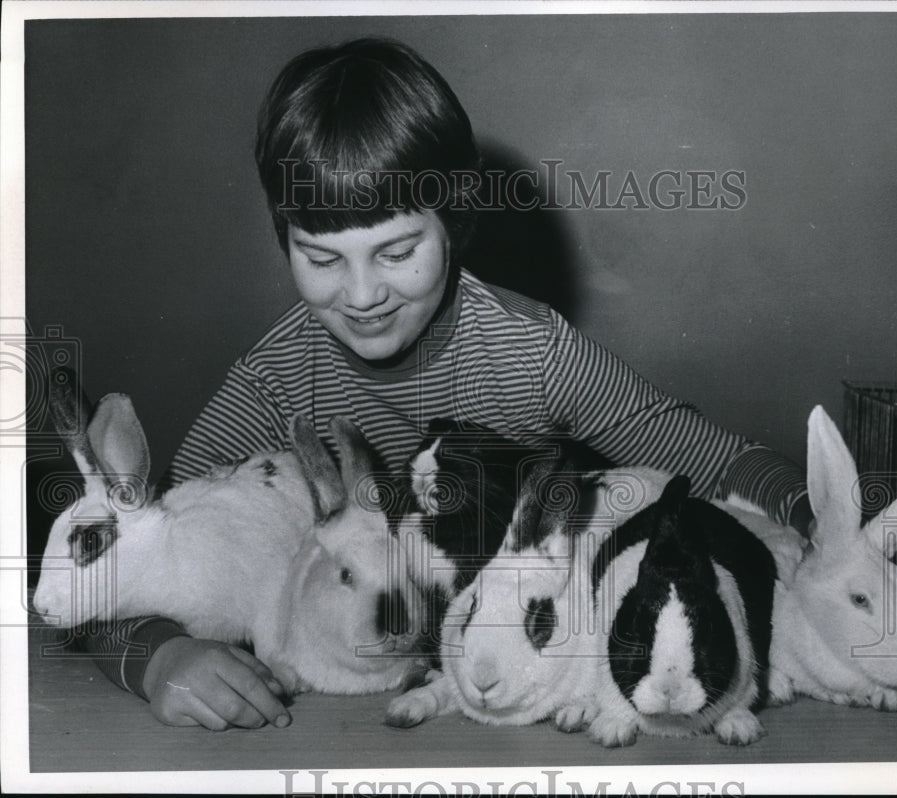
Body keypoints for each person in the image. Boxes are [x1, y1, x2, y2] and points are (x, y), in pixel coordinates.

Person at [79, 38, 812, 730]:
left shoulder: (533, 353)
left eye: (397, 251)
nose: (362, 294)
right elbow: (123, 567)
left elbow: (723, 462)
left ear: (456, 225)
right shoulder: (275, 383)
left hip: (531, 708)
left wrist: (820, 523)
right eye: (322, 259)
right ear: (284, 241)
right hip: (346, 731)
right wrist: (161, 659)